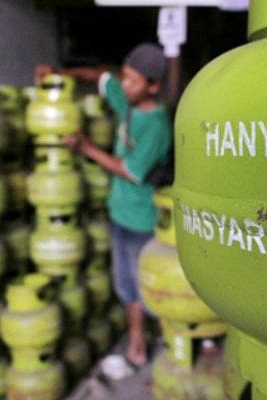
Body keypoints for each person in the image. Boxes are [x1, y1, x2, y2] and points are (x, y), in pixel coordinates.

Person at [36, 43, 172, 366]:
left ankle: (173, 352)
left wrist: (86, 148)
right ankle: (137, 344)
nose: (124, 85)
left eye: (133, 81)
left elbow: (130, 171)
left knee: (150, 292)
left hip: (142, 219)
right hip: (120, 214)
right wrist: (60, 73)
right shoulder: (126, 100)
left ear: (153, 86)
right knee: (126, 287)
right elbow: (100, 77)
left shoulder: (156, 126)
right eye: (125, 77)